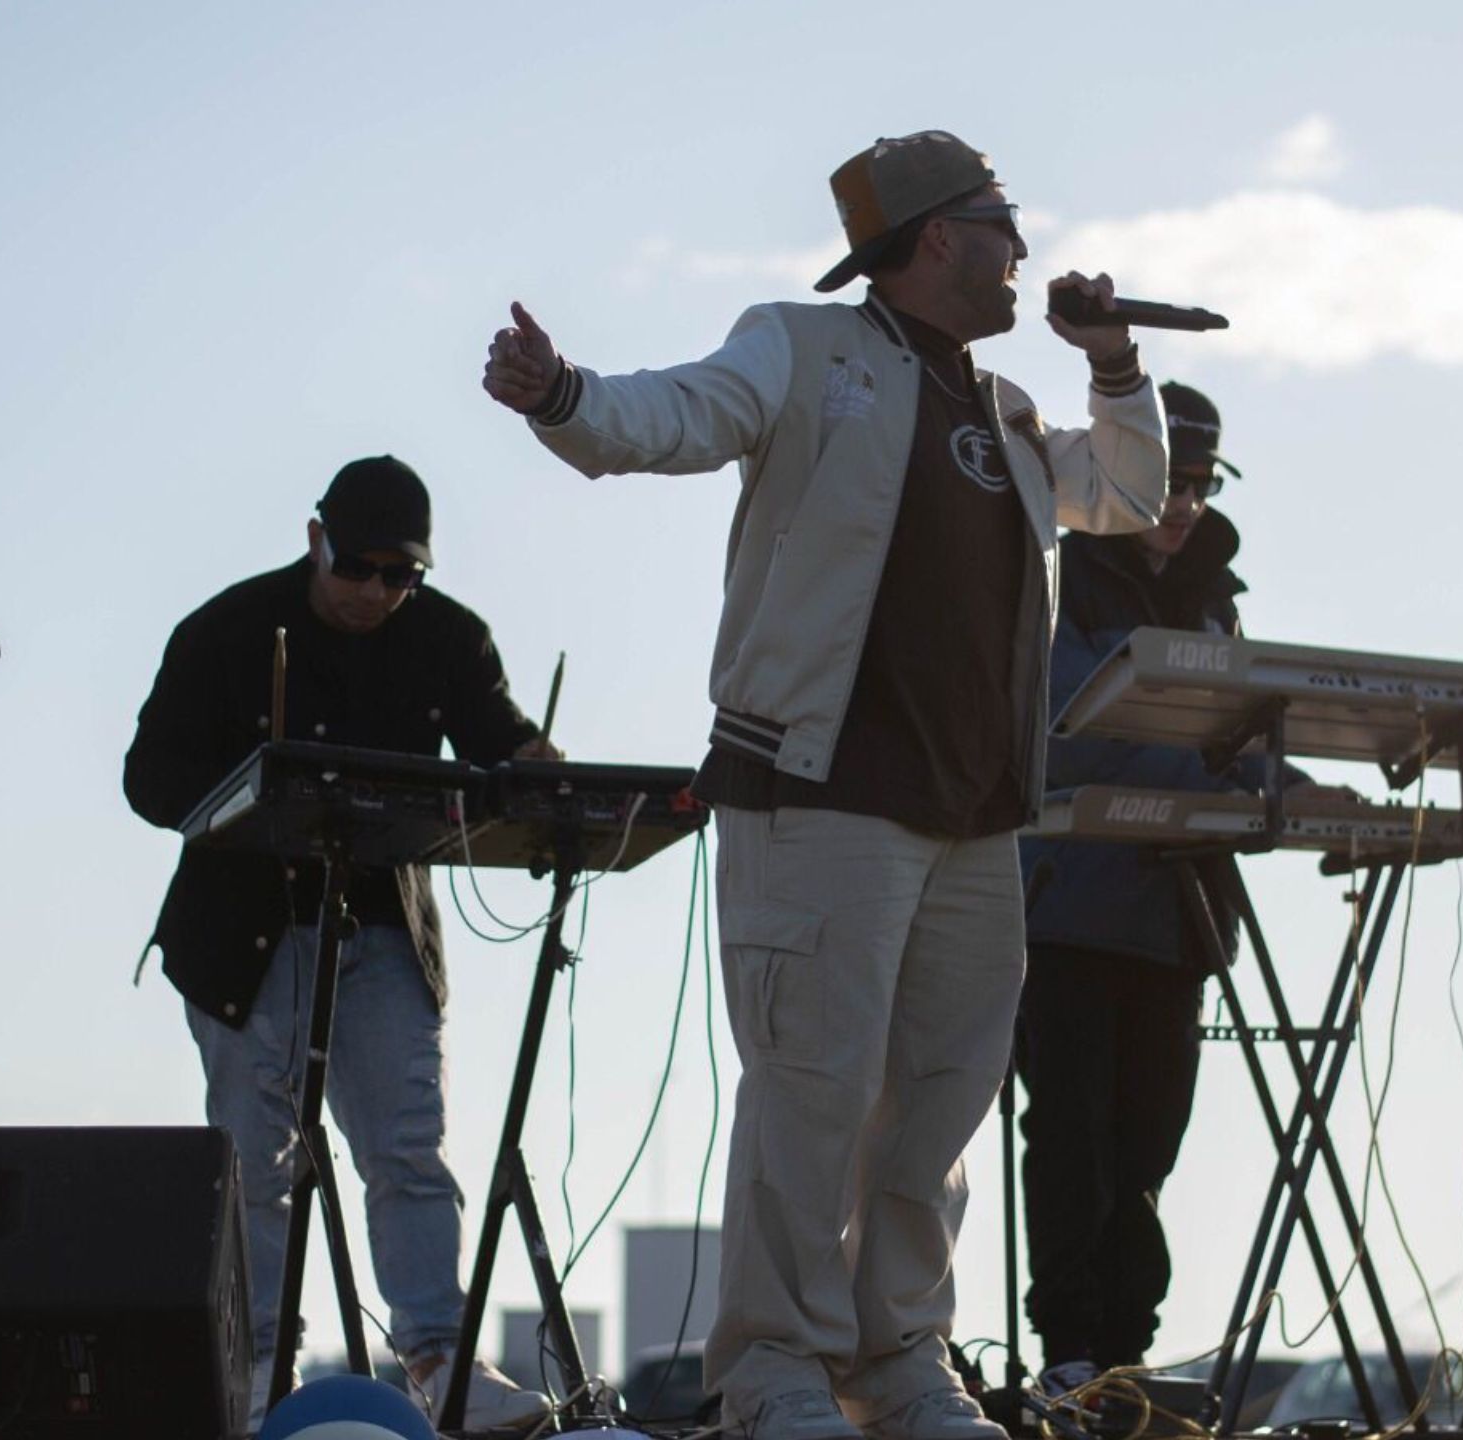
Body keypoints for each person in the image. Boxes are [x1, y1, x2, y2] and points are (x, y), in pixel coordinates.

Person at [483, 131, 1168, 1440]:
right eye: (1001, 219)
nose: (1025, 245)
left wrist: (1113, 361)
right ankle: (775, 1374)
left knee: (939, 1116)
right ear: (932, 239)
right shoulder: (803, 348)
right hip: (822, 788)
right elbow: (681, 411)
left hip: (974, 816)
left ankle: (899, 1359)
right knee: (815, 1089)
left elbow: (1129, 494)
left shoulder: (1010, 410)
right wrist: (563, 392)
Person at [122, 457, 552, 1433]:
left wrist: (535, 767)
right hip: (243, 934)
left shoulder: (450, 639)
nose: (374, 592)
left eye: (399, 576)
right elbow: (149, 778)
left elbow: (503, 750)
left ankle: (439, 1359)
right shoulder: (227, 628)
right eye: (356, 568)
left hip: (382, 927)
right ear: (316, 539)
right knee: (253, 1160)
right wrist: (252, 794)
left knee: (407, 1145)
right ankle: (259, 1366)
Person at [1013, 383, 1266, 1396]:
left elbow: (1243, 736)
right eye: (1171, 481)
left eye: (1202, 485)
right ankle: (1068, 1355)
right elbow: (1074, 730)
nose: (1185, 504)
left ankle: (1124, 1355)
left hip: (1178, 918)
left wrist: (1293, 783)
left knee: (1149, 1148)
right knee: (1070, 1139)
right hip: (1069, 911)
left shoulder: (1216, 596)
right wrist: (1225, 769)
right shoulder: (1062, 572)